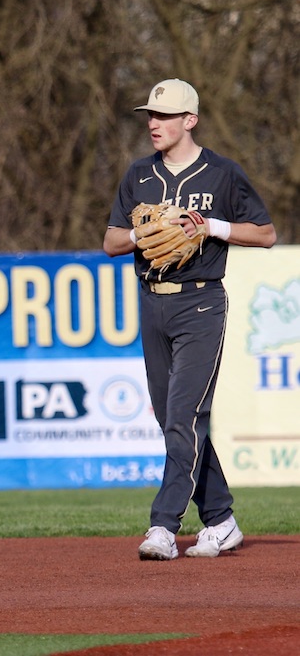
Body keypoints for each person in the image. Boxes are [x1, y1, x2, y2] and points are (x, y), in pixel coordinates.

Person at [103, 79, 276, 560]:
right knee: (172, 419)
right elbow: (112, 241)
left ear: (190, 120)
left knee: (184, 415)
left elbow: (264, 233)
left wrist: (211, 226)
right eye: (150, 116)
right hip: (152, 302)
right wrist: (148, 233)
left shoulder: (221, 173)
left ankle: (163, 525)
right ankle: (221, 520)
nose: (153, 123)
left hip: (200, 303)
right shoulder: (139, 175)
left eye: (164, 116)